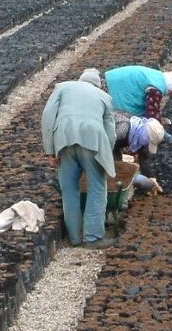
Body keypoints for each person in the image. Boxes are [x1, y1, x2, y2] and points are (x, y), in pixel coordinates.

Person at [41, 69, 117, 249]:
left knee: (69, 190)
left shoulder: (62, 88)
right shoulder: (104, 97)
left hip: (63, 140)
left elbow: (47, 116)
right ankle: (93, 238)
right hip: (93, 141)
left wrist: (50, 151)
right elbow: (111, 134)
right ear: (98, 84)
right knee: (97, 188)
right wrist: (106, 157)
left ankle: (74, 238)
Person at [104, 65, 172, 122]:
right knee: (125, 119)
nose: (171, 95)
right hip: (117, 86)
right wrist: (159, 130)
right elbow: (152, 112)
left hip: (114, 79)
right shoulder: (156, 88)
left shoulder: (157, 77)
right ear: (170, 88)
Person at [113, 111, 165, 195]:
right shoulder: (123, 129)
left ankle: (120, 193)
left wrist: (151, 179)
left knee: (118, 168)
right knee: (114, 168)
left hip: (114, 144)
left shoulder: (141, 134)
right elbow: (104, 145)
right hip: (100, 136)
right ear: (146, 135)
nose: (147, 145)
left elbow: (144, 158)